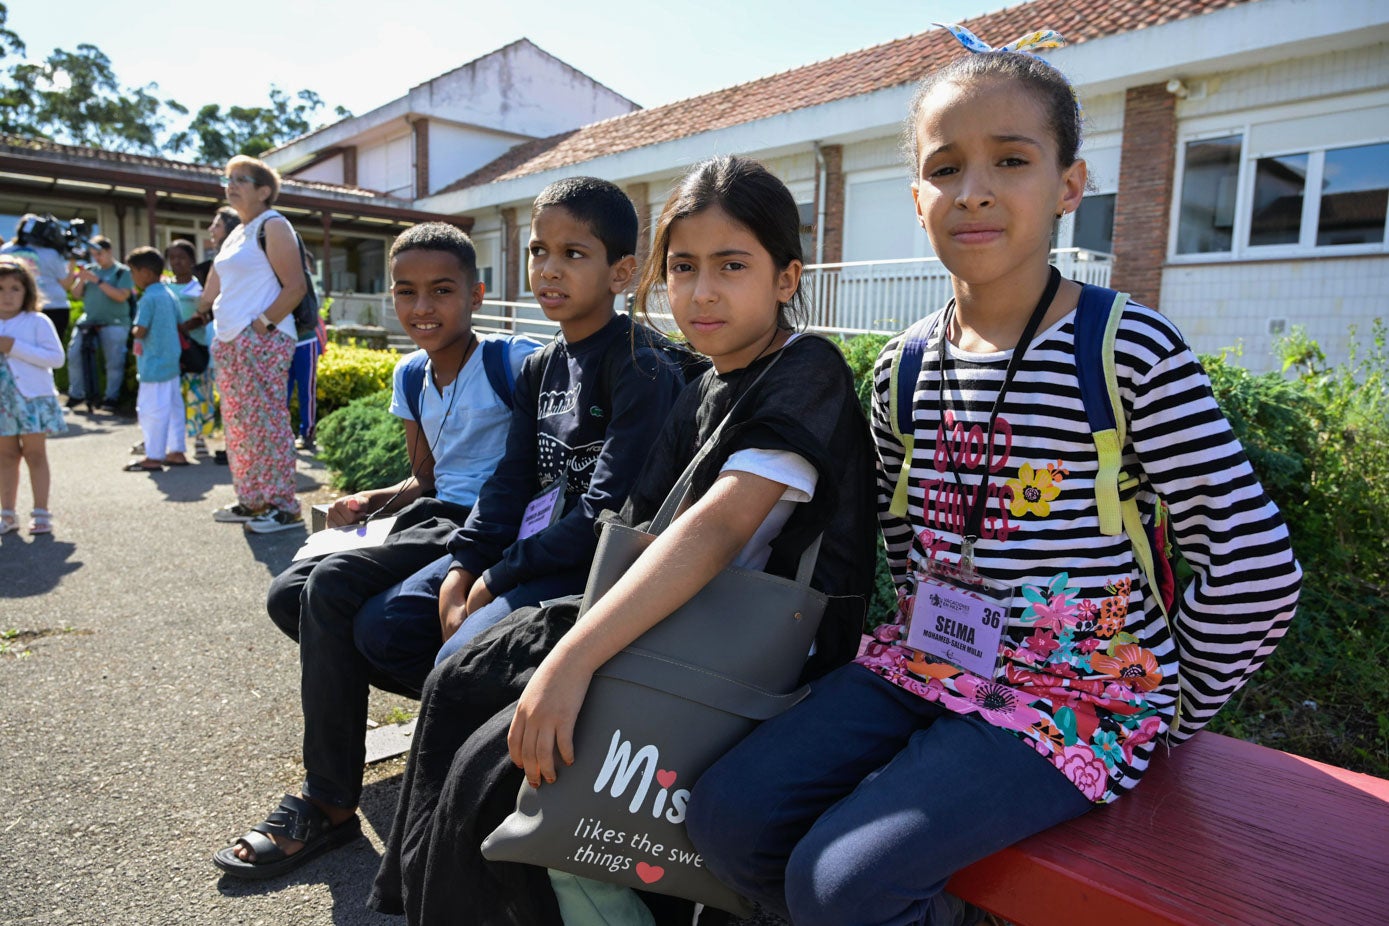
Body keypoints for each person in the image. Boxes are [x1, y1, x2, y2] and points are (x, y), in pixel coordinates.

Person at [683, 26, 1303, 926]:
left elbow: (1253, 568)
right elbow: (906, 539)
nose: (971, 191)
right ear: (915, 196)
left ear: (1069, 186)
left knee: (841, 884)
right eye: (944, 168)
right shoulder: (902, 366)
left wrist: (1167, 710)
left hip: (1077, 696)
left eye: (1010, 160)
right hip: (923, 663)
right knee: (727, 815)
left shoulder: (1124, 349)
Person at [366, 156, 880, 926]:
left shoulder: (804, 371)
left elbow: (714, 532)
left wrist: (572, 659)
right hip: (674, 627)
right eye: (684, 267)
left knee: (502, 768)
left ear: (784, 278)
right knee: (463, 678)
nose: (702, 291)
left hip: (751, 654)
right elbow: (633, 529)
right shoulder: (706, 380)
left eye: (731, 266)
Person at [388, 175, 690, 665]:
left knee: (463, 656)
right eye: (538, 251)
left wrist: (499, 575)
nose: (548, 270)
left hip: (593, 568)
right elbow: (512, 480)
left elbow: (606, 513)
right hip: (532, 550)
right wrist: (466, 564)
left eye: (573, 254)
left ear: (621, 273)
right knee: (388, 627)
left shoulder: (641, 366)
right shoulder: (540, 364)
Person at [196, 155, 307, 533]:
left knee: (267, 422)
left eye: (241, 179)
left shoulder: (273, 225)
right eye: (227, 178)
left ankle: (283, 507)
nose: (231, 185)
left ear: (264, 190)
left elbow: (296, 287)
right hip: (230, 340)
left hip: (261, 338)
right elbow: (214, 287)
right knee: (240, 426)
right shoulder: (236, 233)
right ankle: (252, 499)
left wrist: (260, 325)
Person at [0, 256, 65, 535]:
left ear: (27, 291)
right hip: (3, 403)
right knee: (6, 456)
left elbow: (56, 358)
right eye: (0, 289)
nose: (7, 296)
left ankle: (41, 512)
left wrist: (13, 346)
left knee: (35, 454)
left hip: (32, 400)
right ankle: (7, 513)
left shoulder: (37, 321)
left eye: (15, 288)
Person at [123, 247, 187, 472]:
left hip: (153, 364)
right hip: (171, 361)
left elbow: (140, 330)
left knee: (151, 411)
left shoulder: (149, 298)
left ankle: (154, 455)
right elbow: (180, 322)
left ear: (146, 273)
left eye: (133, 272)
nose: (132, 277)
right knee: (173, 408)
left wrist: (132, 332)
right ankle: (176, 450)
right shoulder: (169, 294)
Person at [65, 236, 133, 412]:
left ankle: (111, 398)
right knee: (74, 354)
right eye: (93, 255)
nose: (97, 258)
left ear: (109, 252)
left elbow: (121, 296)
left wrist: (97, 281)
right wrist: (81, 278)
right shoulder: (90, 269)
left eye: (100, 254)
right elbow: (76, 295)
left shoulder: (121, 271)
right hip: (89, 321)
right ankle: (76, 394)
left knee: (113, 362)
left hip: (114, 322)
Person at [165, 240, 215, 457]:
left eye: (181, 257)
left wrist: (186, 327)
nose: (176, 262)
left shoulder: (199, 288)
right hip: (171, 349)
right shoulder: (165, 286)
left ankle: (200, 438)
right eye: (172, 257)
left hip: (195, 347)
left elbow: (207, 314)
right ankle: (169, 439)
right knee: (170, 395)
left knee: (198, 393)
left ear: (192, 261)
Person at [0, 214, 76, 342]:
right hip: (54, 306)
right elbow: (65, 284)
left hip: (16, 307)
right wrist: (72, 262)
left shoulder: (5, 250)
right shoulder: (51, 253)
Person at [193, 206, 240, 287]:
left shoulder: (228, 259)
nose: (210, 229)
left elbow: (208, 297)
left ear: (231, 229)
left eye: (217, 225)